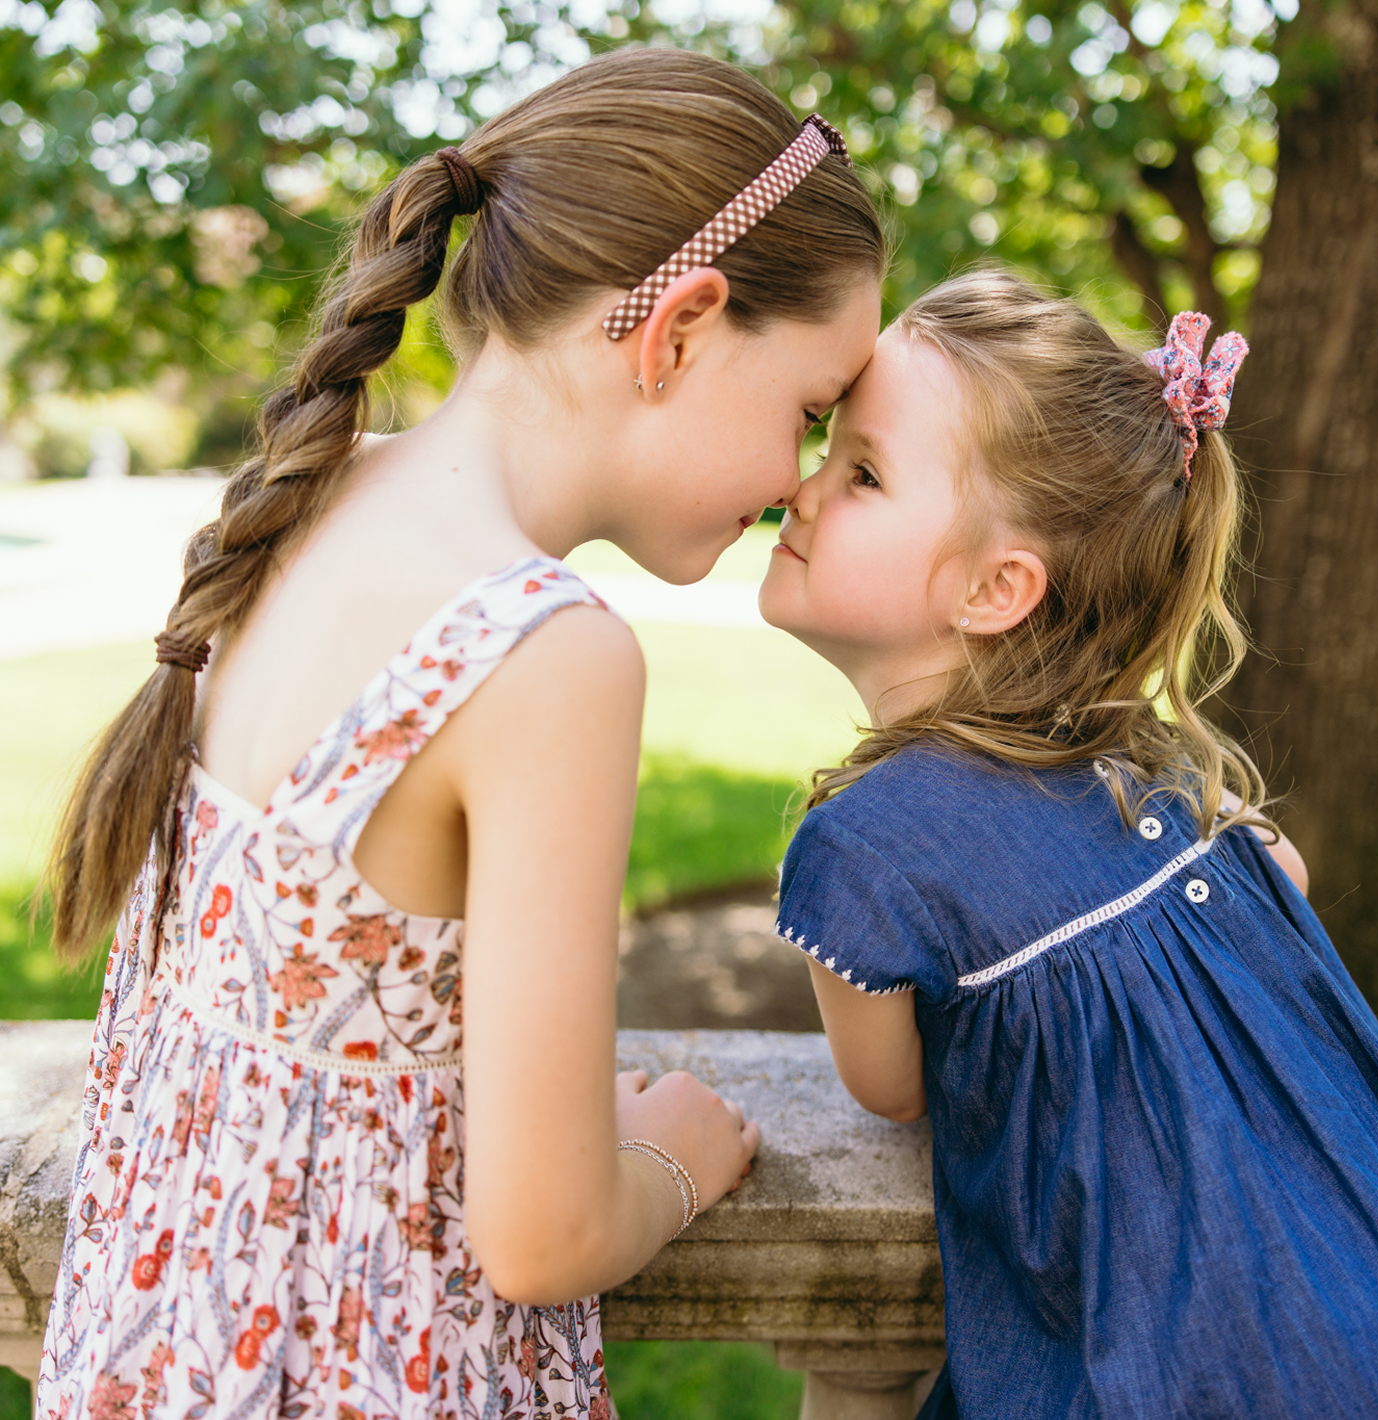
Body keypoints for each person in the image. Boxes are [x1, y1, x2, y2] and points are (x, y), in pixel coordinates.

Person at [37, 47, 884, 1420]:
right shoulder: (544, 650)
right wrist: (669, 1155)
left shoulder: (312, 495)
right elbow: (543, 1234)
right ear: (679, 329)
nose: (799, 481)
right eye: (808, 411)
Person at [759, 270, 1378, 1418]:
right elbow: (1285, 871)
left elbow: (894, 1086)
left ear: (996, 588)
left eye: (861, 472)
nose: (801, 489)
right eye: (826, 450)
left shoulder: (864, 845)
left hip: (1182, 1380)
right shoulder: (1151, 773)